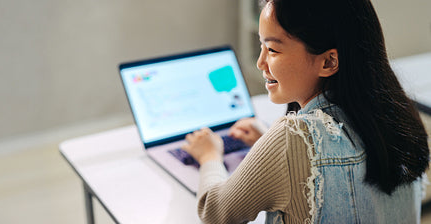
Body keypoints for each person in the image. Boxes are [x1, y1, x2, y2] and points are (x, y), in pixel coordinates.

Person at [181, 0, 430, 223]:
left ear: (329, 62)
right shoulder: (401, 117)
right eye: (261, 45)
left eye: (273, 50)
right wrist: (266, 142)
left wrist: (209, 155)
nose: (260, 62)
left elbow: (216, 212)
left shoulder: (292, 137)